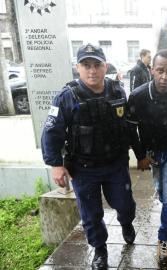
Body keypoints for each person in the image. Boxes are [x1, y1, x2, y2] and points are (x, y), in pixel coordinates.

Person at [41, 44, 136, 270]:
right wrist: (55, 164)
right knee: (91, 214)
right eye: (86, 65)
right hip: (83, 168)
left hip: (115, 164)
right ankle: (100, 250)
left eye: (97, 65)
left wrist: (138, 152)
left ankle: (126, 223)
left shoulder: (117, 91)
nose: (92, 70)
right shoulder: (66, 96)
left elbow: (128, 125)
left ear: (105, 67)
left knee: (125, 205)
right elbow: (51, 132)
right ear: (78, 68)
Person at [127, 49, 167, 267]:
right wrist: (140, 156)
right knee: (162, 192)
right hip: (152, 154)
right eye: (160, 70)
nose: (164, 76)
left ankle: (164, 238)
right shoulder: (138, 96)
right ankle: (166, 208)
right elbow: (131, 130)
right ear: (152, 70)